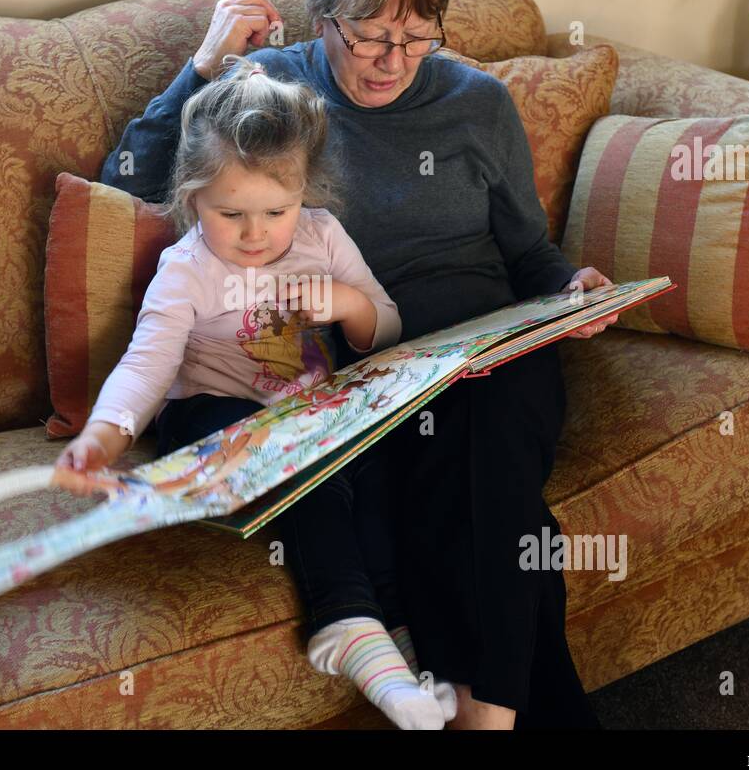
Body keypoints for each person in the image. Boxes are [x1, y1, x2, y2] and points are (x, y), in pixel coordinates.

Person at [96, 0, 618, 730]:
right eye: (371, 36)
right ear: (323, 16)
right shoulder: (273, 91)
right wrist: (202, 64)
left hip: (497, 347)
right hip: (376, 373)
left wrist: (570, 290)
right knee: (492, 504)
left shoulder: (478, 103)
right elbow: (133, 177)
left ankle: (483, 722)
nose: (393, 61)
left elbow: (528, 251)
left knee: (485, 429)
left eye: (417, 37)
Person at [55, 53, 458, 729]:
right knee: (311, 465)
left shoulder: (322, 236)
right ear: (191, 201)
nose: (255, 233)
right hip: (211, 421)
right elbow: (146, 366)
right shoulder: (184, 269)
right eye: (230, 212)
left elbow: (385, 328)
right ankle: (343, 622)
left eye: (277, 209)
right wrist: (104, 435)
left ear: (306, 192)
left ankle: (393, 636)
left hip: (312, 415)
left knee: (382, 470)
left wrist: (346, 301)